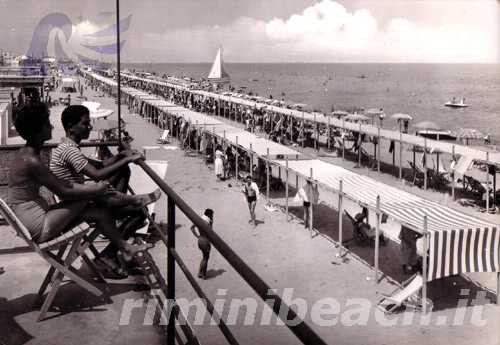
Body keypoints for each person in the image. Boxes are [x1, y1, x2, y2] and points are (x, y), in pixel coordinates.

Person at [8, 102, 150, 262]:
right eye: (47, 123)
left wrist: (96, 188)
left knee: (99, 212)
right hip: (38, 225)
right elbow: (63, 191)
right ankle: (134, 201)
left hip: (32, 218)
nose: (52, 127)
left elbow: (63, 185)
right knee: (88, 197)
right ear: (38, 129)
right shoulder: (32, 160)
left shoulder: (27, 154)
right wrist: (97, 189)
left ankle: (126, 248)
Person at [50, 105, 161, 210]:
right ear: (71, 127)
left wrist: (121, 155)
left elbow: (100, 165)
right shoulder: (69, 149)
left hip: (74, 195)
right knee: (101, 188)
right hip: (73, 201)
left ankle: (129, 203)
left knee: (118, 174)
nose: (90, 127)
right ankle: (136, 200)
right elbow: (97, 175)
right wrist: (128, 159)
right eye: (85, 123)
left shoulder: (67, 146)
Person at [190, 209, 214, 279]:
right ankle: (203, 274)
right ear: (209, 215)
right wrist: (212, 222)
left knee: (204, 257)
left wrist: (197, 236)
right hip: (206, 241)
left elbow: (192, 228)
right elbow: (210, 232)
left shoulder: (199, 220)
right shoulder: (208, 222)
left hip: (200, 239)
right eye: (212, 215)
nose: (212, 216)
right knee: (206, 258)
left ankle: (200, 272)